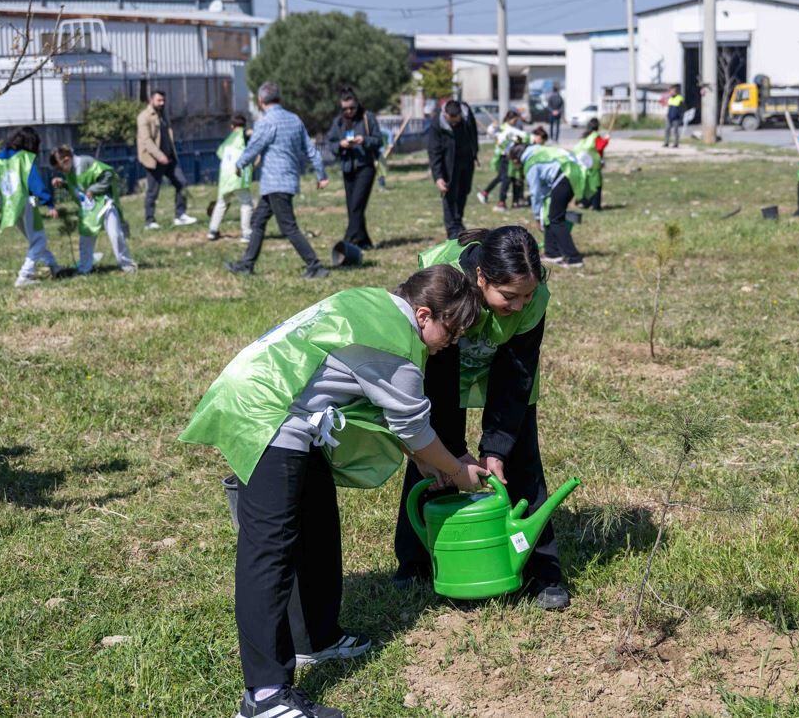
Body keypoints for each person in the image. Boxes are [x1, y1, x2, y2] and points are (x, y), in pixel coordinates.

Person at [181, 265, 489, 718]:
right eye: (452, 329)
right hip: (269, 412)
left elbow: (398, 424)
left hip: (277, 400)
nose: (453, 342)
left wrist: (430, 461)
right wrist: (457, 471)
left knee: (318, 522)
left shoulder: (370, 302)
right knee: (269, 550)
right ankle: (265, 697)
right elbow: (413, 427)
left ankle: (316, 639)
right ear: (424, 315)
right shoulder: (396, 346)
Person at [394, 226, 570, 610]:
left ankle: (542, 568)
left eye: (527, 295)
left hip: (502, 362)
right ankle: (417, 560)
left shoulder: (532, 298)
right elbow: (436, 378)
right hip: (445, 357)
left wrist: (496, 445)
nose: (521, 305)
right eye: (509, 297)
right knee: (435, 452)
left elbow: (517, 373)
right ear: (480, 278)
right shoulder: (446, 281)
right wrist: (452, 455)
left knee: (522, 458)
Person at [226, 82, 331, 279]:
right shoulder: (294, 119)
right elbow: (311, 150)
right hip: (287, 181)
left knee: (288, 227)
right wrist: (321, 175)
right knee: (258, 221)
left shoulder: (266, 122)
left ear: (260, 101)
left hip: (275, 183)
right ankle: (247, 264)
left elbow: (254, 147)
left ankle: (315, 265)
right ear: (279, 99)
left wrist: (240, 164)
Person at [0, 126, 60, 287]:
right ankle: (25, 275)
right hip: (28, 202)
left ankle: (54, 266)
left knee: (34, 238)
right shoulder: (25, 158)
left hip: (10, 206)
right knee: (39, 239)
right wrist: (49, 203)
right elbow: (34, 183)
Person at [49, 145, 137, 275]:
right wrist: (63, 184)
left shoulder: (85, 162)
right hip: (89, 211)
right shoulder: (70, 170)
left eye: (60, 168)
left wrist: (94, 189)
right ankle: (84, 269)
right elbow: (79, 189)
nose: (60, 171)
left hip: (104, 205)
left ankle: (128, 266)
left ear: (67, 160)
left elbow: (108, 174)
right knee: (85, 241)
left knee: (115, 235)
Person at [514, 141, 586, 268]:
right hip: (573, 172)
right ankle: (552, 253)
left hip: (564, 175)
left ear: (517, 159)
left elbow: (535, 192)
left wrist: (537, 216)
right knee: (553, 215)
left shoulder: (531, 163)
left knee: (555, 219)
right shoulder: (539, 151)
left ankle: (574, 258)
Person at [329, 87, 383, 251]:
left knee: (356, 206)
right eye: (345, 108)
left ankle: (349, 241)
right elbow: (330, 143)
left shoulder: (368, 118)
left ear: (357, 104)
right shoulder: (338, 122)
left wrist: (364, 140)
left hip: (365, 166)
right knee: (352, 207)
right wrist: (341, 144)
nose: (349, 111)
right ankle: (364, 241)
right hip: (347, 168)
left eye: (352, 107)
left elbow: (378, 140)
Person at [136, 90, 197, 230]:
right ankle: (149, 221)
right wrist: (159, 156)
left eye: (163, 100)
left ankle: (180, 215)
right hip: (154, 160)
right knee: (153, 191)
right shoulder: (144, 117)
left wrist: (168, 155)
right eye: (159, 100)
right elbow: (146, 141)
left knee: (181, 183)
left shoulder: (164, 115)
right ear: (151, 100)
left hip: (169, 158)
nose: (162, 103)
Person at [426, 99, 479, 239]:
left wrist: (475, 152)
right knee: (449, 195)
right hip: (448, 164)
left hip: (466, 161)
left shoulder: (467, 115)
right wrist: (438, 176)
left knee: (464, 191)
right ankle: (452, 230)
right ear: (445, 115)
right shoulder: (437, 123)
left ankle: (458, 221)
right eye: (451, 121)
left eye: (457, 120)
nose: (454, 124)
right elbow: (434, 151)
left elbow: (474, 133)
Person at [209, 115, 255, 242]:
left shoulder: (228, 140)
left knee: (222, 203)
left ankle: (212, 231)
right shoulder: (243, 134)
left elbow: (219, 153)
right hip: (238, 176)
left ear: (231, 126)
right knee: (246, 203)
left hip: (225, 177)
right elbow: (250, 133)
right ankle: (246, 233)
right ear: (244, 125)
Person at [479, 111, 528, 212]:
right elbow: (491, 134)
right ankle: (501, 202)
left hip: (512, 156)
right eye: (515, 120)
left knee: (510, 178)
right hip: (505, 157)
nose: (516, 122)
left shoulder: (511, 128)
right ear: (510, 119)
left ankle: (515, 201)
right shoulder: (504, 128)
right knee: (505, 179)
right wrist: (493, 127)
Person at [573, 123, 609, 211]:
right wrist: (607, 139)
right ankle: (595, 205)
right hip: (592, 163)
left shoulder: (585, 136)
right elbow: (600, 147)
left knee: (586, 184)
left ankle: (584, 202)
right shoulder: (595, 136)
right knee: (596, 184)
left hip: (582, 163)